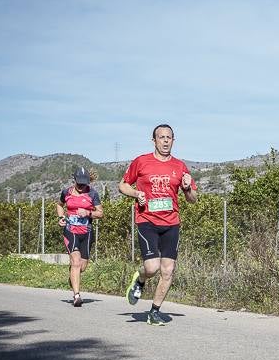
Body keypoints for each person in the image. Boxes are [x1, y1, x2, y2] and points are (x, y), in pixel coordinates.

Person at [119, 124, 198, 325]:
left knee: (168, 270)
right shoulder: (141, 161)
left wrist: (188, 189)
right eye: (161, 137)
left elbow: (193, 199)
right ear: (153, 140)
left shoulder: (180, 166)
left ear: (173, 140)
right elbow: (122, 185)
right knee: (152, 267)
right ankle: (140, 279)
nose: (165, 141)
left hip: (172, 223)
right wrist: (137, 194)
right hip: (147, 221)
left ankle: (154, 312)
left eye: (168, 137)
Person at [56, 167, 103, 307]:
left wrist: (88, 213)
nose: (82, 186)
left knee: (82, 267)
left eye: (84, 183)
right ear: (74, 180)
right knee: (75, 262)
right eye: (79, 183)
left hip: (86, 233)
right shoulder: (66, 192)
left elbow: (101, 213)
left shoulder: (93, 194)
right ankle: (77, 296)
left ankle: (73, 275)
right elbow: (59, 205)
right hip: (71, 231)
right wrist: (61, 217)